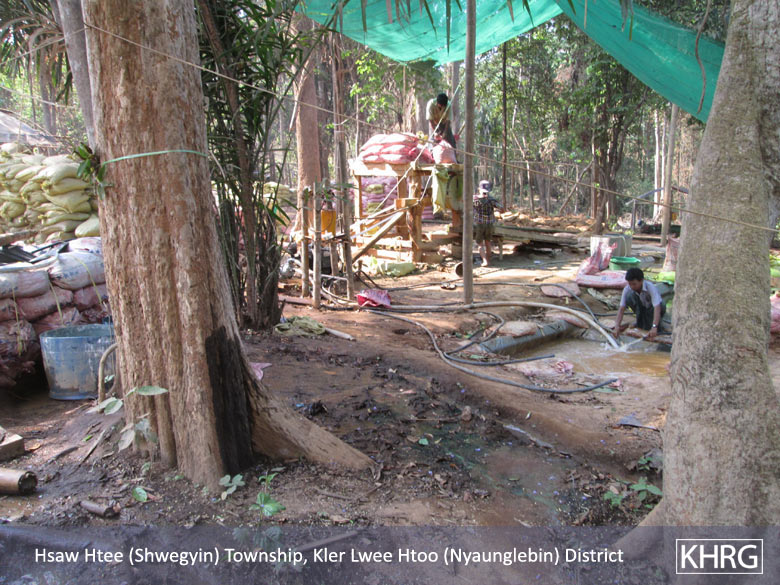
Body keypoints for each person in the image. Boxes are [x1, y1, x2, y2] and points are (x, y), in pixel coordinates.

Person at [613, 267, 666, 340]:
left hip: (652, 309)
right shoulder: (627, 289)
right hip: (641, 308)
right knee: (629, 296)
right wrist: (617, 326)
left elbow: (657, 308)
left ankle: (656, 323)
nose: (632, 286)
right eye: (630, 284)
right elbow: (621, 309)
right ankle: (640, 321)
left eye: (634, 284)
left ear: (641, 280)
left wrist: (654, 327)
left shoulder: (650, 287)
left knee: (652, 327)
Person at [473, 180, 502, 267]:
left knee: (480, 244)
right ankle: (488, 261)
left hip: (479, 223)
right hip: (489, 224)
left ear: (479, 189)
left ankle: (484, 261)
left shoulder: (474, 199)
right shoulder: (491, 200)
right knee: (488, 243)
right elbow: (502, 208)